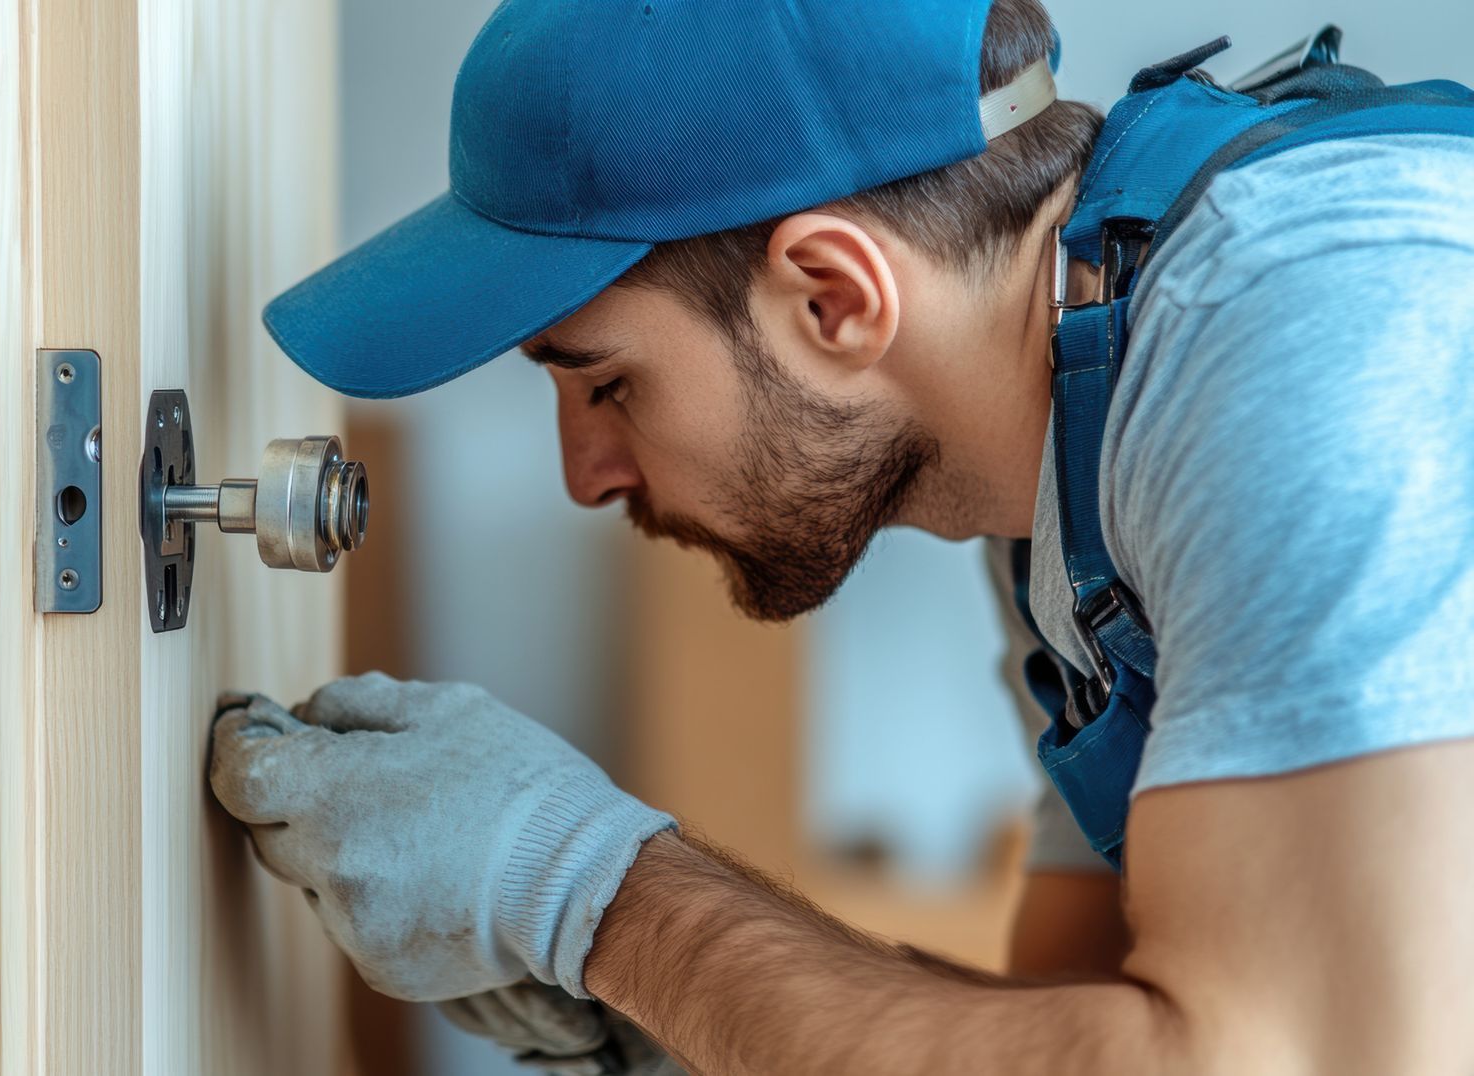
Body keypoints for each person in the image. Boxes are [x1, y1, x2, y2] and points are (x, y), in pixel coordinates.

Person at [208, 1, 1474, 1071]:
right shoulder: (1061, 486)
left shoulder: (1309, 349)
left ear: (833, 296)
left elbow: (1294, 1052)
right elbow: (1073, 1021)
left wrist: (592, 894)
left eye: (605, 381)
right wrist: (677, 1016)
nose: (586, 474)